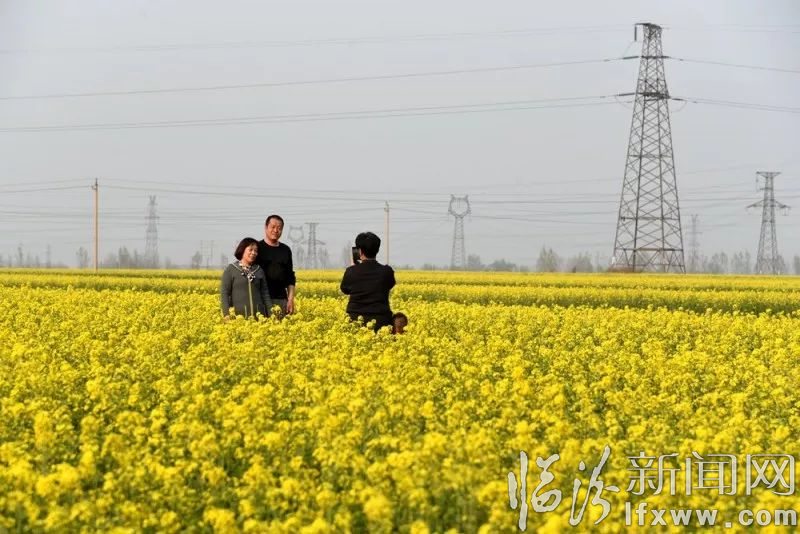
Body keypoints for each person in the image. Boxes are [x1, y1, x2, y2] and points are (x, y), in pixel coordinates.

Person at [340, 232, 396, 332]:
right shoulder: (387, 272)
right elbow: (389, 285)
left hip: (355, 323)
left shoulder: (351, 272)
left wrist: (354, 267)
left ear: (359, 251)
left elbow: (345, 289)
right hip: (381, 325)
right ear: (377, 250)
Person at [220, 237, 272, 318]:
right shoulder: (231, 269)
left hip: (259, 318)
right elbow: (225, 294)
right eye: (250, 250)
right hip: (238, 318)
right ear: (242, 250)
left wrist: (271, 314)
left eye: (256, 251)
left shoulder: (259, 270)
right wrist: (226, 314)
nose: (253, 253)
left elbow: (265, 294)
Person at [256, 215, 296, 316]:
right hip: (260, 299)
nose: (276, 230)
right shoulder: (257, 248)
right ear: (266, 227)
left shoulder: (286, 250)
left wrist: (290, 300)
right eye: (273, 227)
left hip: (281, 299)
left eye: (279, 228)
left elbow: (290, 277)